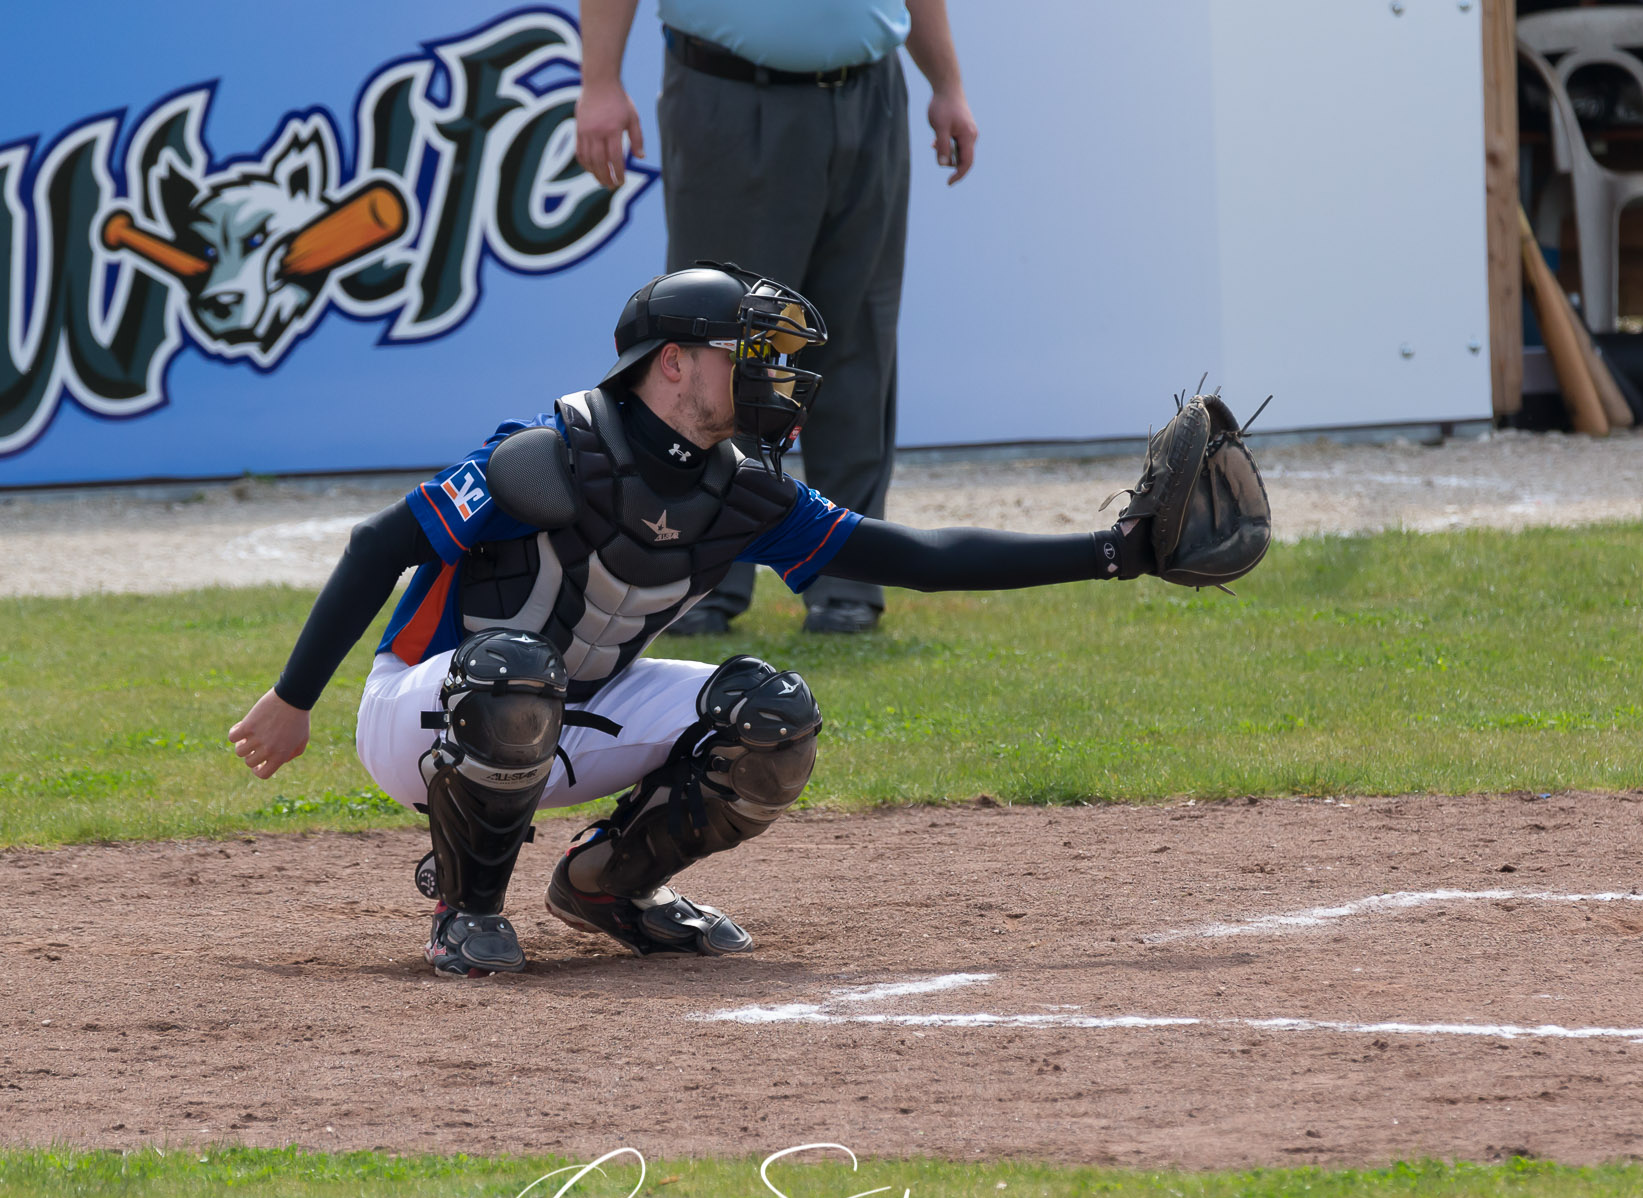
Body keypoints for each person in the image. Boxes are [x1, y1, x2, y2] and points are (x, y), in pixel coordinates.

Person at [227, 265, 1269, 977]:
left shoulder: (744, 491)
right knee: (509, 673)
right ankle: (467, 907)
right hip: (423, 712)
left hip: (573, 715)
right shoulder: (547, 452)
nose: (774, 370)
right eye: (746, 349)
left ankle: (606, 889)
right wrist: (292, 698)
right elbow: (379, 546)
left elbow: (913, 556)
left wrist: (1111, 556)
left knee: (770, 714)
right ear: (671, 362)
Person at [573, 0, 981, 635]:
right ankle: (702, 573)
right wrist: (599, 80)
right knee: (720, 341)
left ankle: (848, 573)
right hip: (731, 93)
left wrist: (947, 83)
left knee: (856, 341)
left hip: (870, 92)